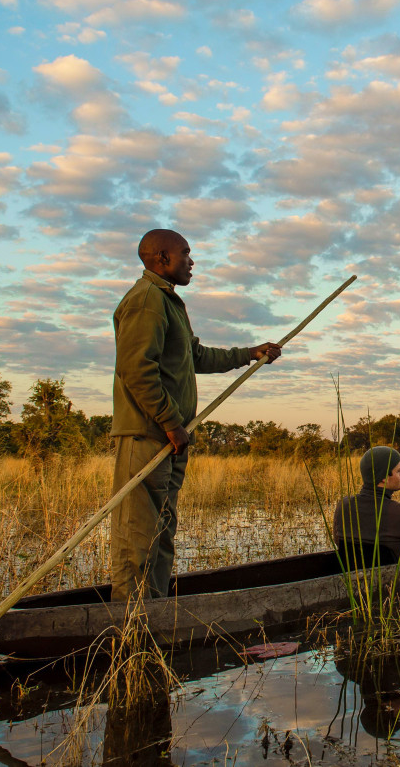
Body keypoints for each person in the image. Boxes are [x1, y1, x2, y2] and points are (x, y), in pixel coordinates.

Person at [110, 228, 283, 601]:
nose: (192, 262)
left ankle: (153, 617)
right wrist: (171, 422)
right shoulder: (146, 301)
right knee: (137, 536)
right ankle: (130, 630)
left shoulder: (169, 302)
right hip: (148, 435)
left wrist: (250, 353)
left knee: (161, 532)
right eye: (185, 253)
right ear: (162, 258)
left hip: (170, 439)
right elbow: (136, 369)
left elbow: (196, 356)